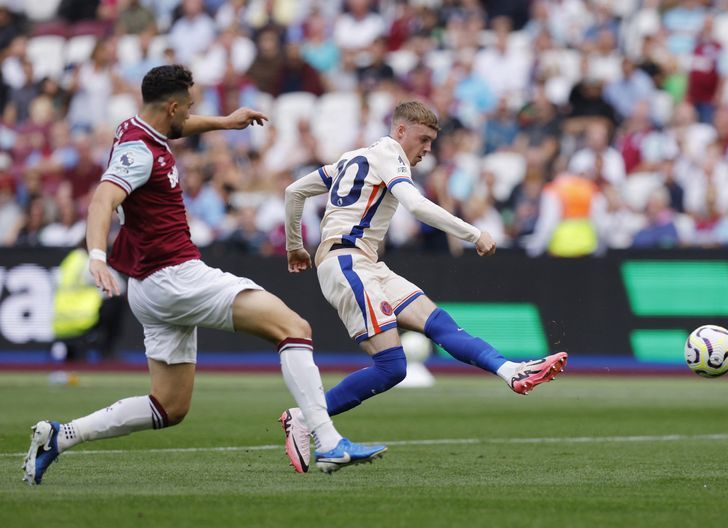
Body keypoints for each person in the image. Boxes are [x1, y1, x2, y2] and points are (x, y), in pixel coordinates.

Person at [22, 65, 385, 485]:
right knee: (293, 327)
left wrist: (226, 123)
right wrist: (97, 256)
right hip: (174, 275)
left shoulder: (136, 129)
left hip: (148, 285)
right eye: (190, 106)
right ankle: (328, 440)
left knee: (168, 406)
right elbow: (102, 200)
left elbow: (178, 128)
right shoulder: (140, 153)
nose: (192, 113)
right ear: (172, 106)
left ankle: (59, 437)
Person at [281, 101, 568, 473]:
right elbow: (415, 206)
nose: (427, 149)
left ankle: (511, 372)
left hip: (366, 263)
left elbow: (293, 192)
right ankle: (305, 419)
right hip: (348, 263)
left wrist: (293, 246)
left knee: (440, 324)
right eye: (423, 139)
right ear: (400, 131)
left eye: (432, 141)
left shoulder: (352, 159)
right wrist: (473, 233)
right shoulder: (390, 153)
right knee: (391, 366)